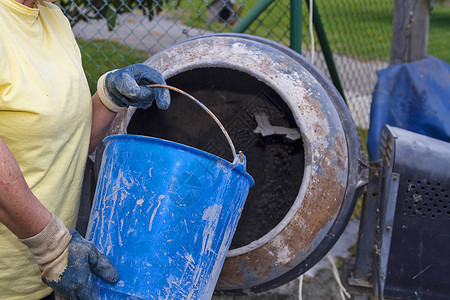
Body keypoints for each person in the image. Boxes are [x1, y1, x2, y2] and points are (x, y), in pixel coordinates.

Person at [0, 0, 171, 298]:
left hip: (44, 275)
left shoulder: (53, 17)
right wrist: (52, 247)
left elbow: (65, 144)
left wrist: (111, 97)